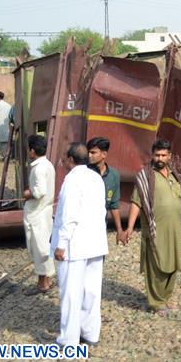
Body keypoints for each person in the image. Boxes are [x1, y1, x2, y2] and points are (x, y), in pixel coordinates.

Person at [125, 139, 181, 315]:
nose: (160, 158)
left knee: (173, 262)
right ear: (152, 155)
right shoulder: (145, 177)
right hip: (155, 230)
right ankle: (156, 303)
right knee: (156, 264)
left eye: (163, 155)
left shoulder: (174, 175)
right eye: (157, 155)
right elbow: (136, 202)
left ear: (169, 156)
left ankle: (165, 297)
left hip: (175, 229)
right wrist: (130, 227)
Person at [51, 143, 108, 347]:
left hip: (74, 246)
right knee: (91, 291)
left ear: (70, 160)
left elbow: (69, 215)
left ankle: (69, 340)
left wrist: (61, 244)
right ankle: (90, 333)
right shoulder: (96, 178)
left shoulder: (72, 180)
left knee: (71, 294)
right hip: (95, 243)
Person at [23, 134, 56, 294]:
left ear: (32, 151)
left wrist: (28, 193)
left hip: (37, 213)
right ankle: (47, 279)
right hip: (45, 211)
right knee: (44, 246)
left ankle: (42, 283)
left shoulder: (38, 168)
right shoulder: (48, 165)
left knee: (38, 248)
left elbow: (40, 191)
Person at [87, 137, 125, 244]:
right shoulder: (84, 172)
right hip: (83, 225)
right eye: (88, 152)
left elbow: (114, 205)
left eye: (93, 152)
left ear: (104, 154)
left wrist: (119, 230)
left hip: (101, 226)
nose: (89, 155)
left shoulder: (114, 175)